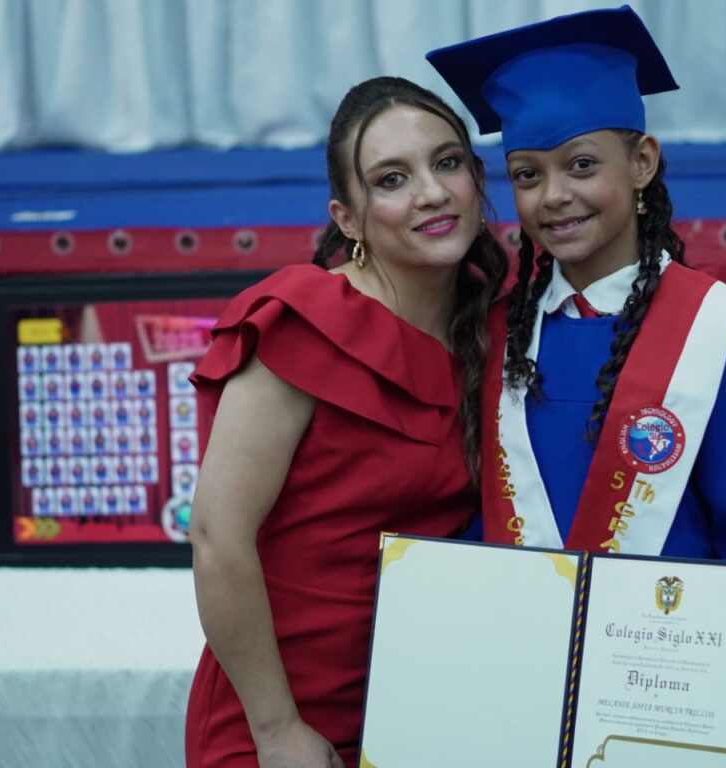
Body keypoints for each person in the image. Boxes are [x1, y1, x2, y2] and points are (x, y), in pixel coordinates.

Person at [427, 6, 726, 767]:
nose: (553, 196)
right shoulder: (495, 334)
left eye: (581, 165)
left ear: (642, 163)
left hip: (660, 722)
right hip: (507, 712)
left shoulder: (721, 334)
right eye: (527, 174)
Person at [183, 76, 508, 768]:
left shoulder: (498, 323)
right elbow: (217, 537)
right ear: (349, 218)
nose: (431, 192)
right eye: (392, 179)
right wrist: (277, 730)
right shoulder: (303, 323)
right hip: (284, 716)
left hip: (426, 712)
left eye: (447, 163)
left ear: (478, 181)